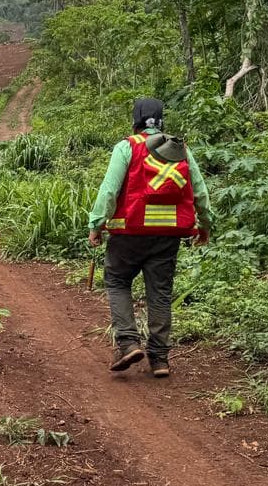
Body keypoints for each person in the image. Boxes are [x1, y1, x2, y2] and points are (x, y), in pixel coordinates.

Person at [86, 98, 211, 377]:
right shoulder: (180, 148)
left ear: (136, 120)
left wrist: (96, 224)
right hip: (167, 236)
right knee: (160, 293)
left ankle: (128, 343)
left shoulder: (127, 147)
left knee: (117, 281)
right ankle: (160, 359)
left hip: (128, 233)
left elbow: (109, 190)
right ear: (161, 120)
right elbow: (200, 191)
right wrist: (205, 225)